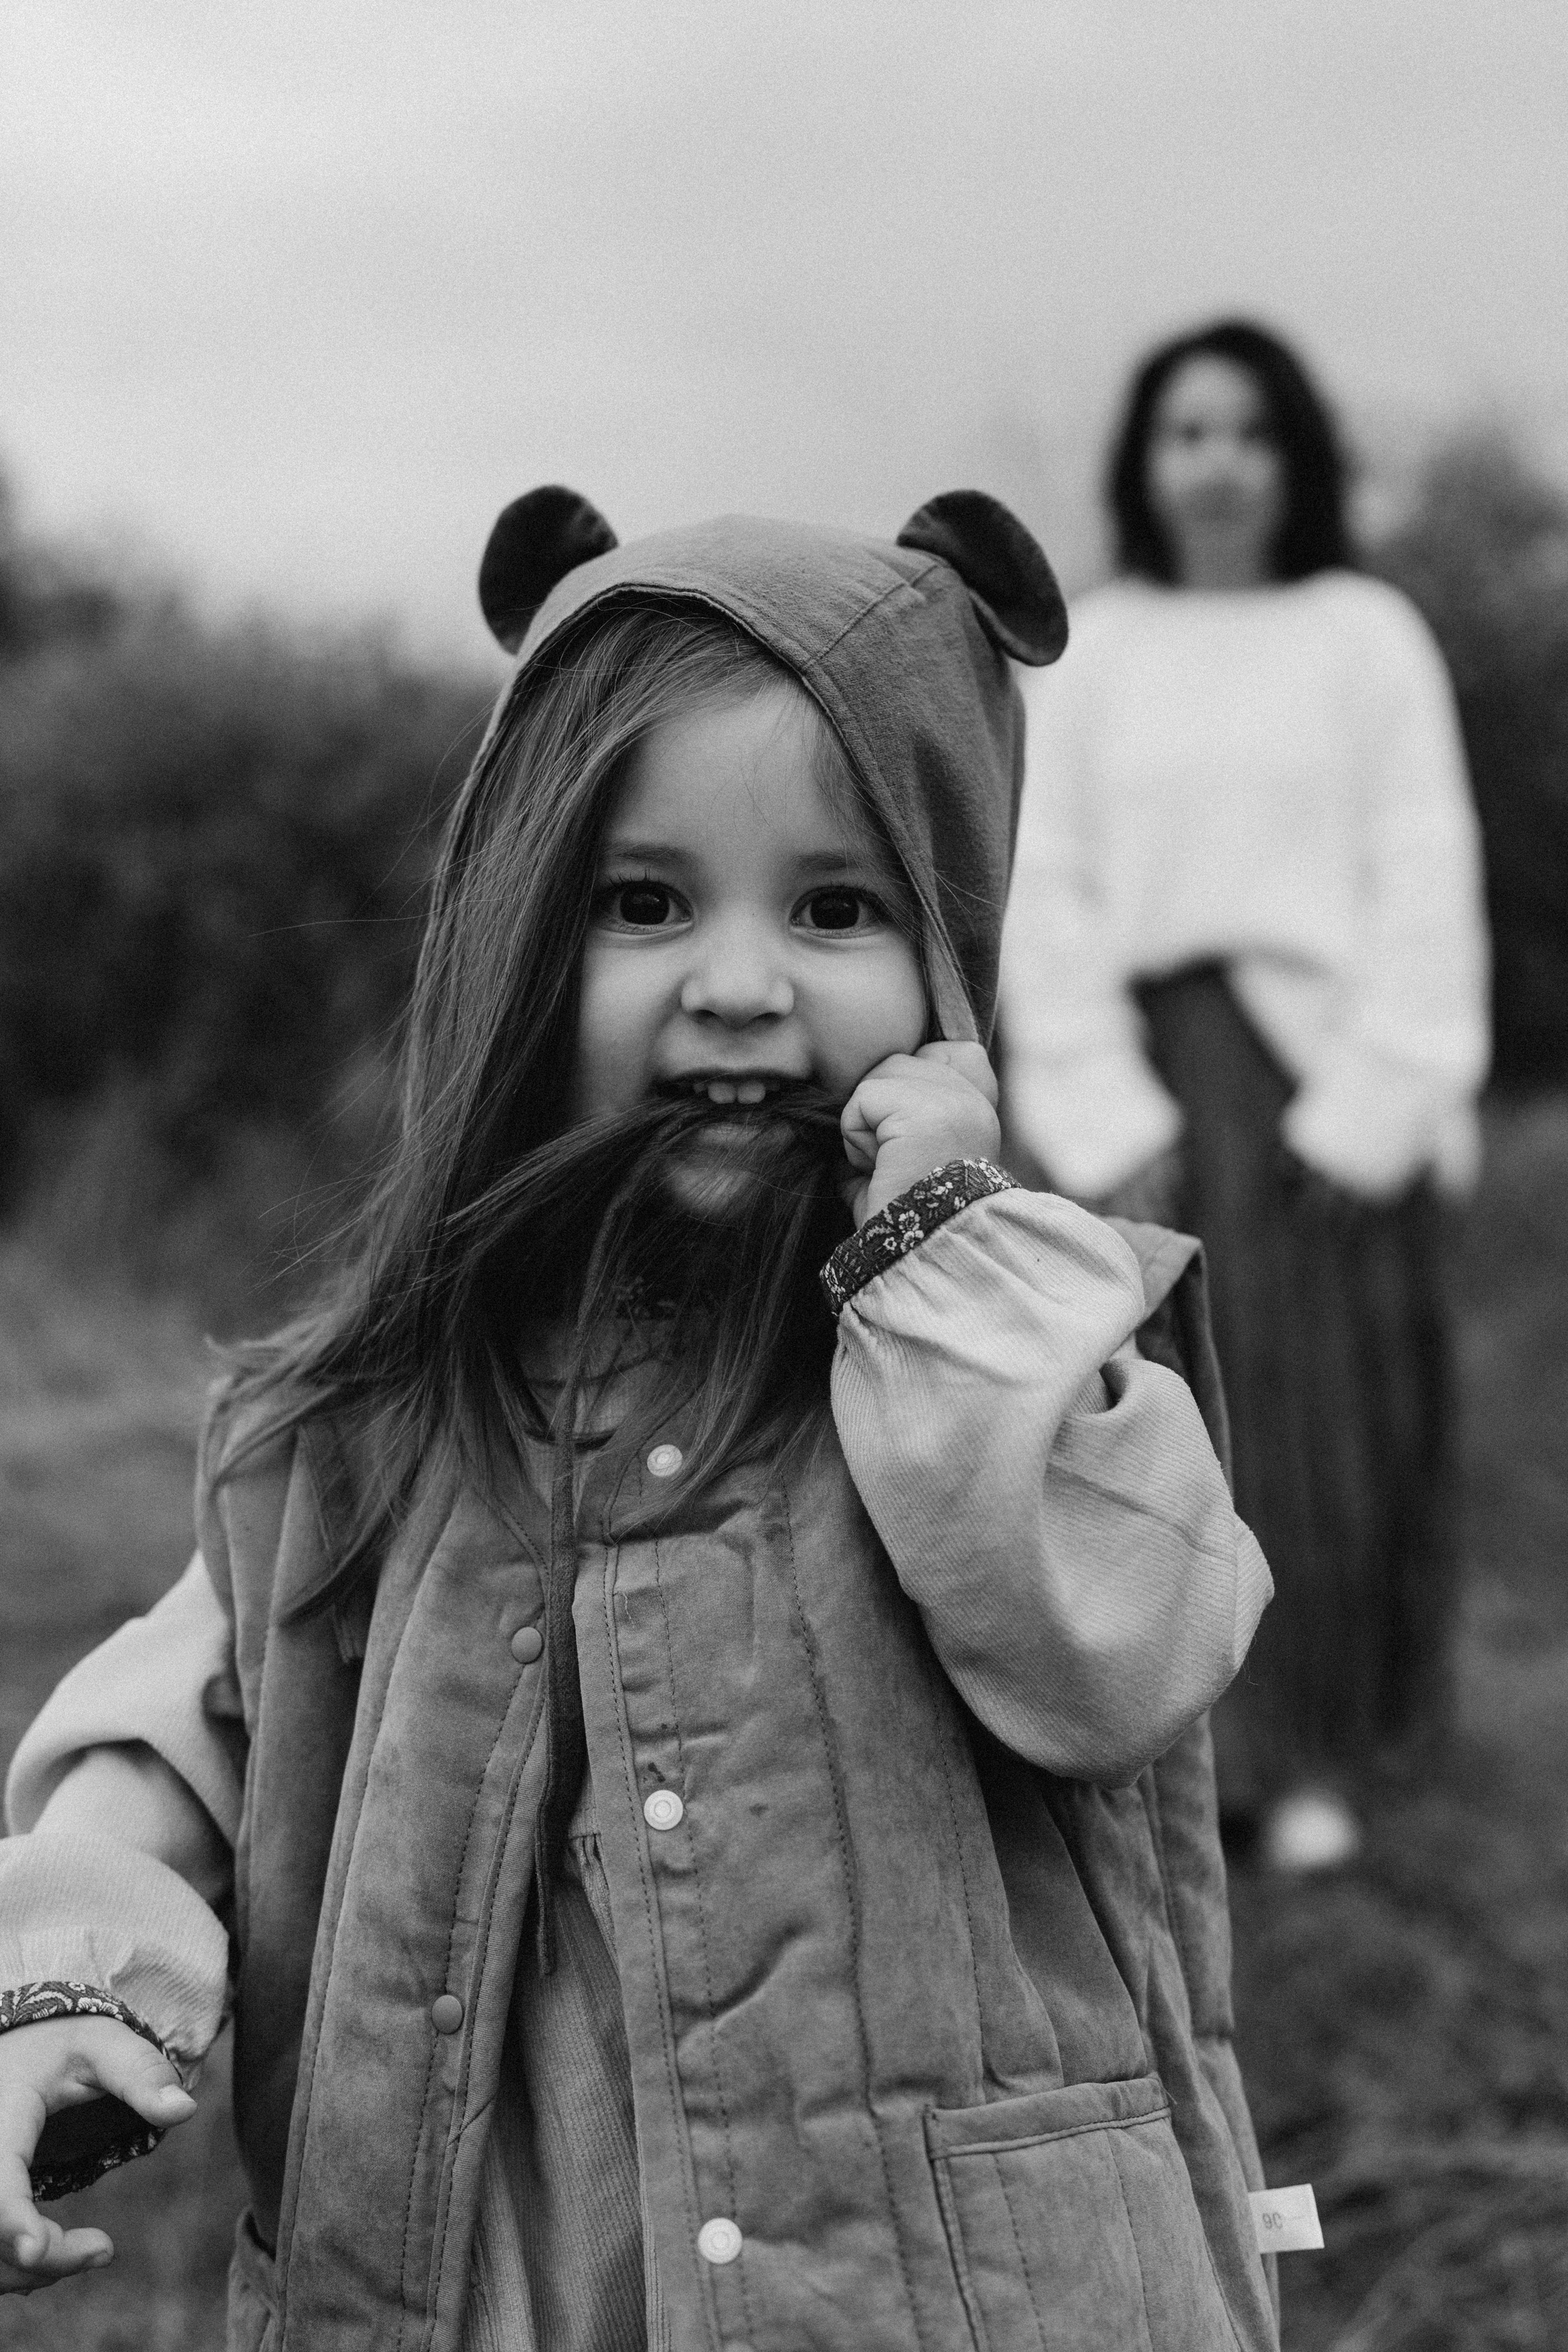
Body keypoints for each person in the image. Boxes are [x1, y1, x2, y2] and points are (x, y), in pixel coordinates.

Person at [0, 486, 1280, 2352]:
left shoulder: (1019, 1363)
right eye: (644, 904)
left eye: (837, 907)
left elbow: (1123, 1648)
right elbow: (184, 1730)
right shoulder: (381, 1421)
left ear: (949, 960)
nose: (740, 984)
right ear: (523, 949)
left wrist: (935, 1257)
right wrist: (69, 1984)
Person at [1000, 320, 1490, 1876]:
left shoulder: (1364, 635)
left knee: (1321, 1422)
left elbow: (1423, 875)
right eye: (1184, 433)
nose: (1216, 465)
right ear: (1144, 461)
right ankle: (1156, 1756)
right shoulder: (1092, 647)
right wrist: (1095, 1108)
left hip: (1318, 1079)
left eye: (1247, 433)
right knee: (1148, 1427)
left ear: (1294, 458)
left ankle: (1314, 1756)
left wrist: (1375, 1104)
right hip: (1145, 1083)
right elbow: (1043, 889)